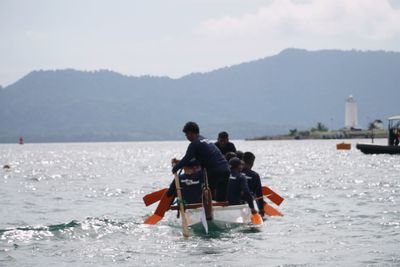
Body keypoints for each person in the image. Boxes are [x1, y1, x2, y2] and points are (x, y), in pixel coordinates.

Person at [172, 122, 230, 201]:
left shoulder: (194, 143)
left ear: (191, 133)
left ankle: (202, 208)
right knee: (221, 197)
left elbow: (187, 158)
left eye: (186, 135)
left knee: (201, 189)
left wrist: (175, 168)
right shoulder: (205, 140)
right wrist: (180, 164)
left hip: (214, 171)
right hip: (226, 169)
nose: (186, 137)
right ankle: (221, 208)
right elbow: (197, 161)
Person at [242, 152, 265, 217]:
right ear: (252, 162)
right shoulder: (255, 175)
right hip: (248, 204)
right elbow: (259, 194)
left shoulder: (235, 172)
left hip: (234, 202)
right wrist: (261, 209)